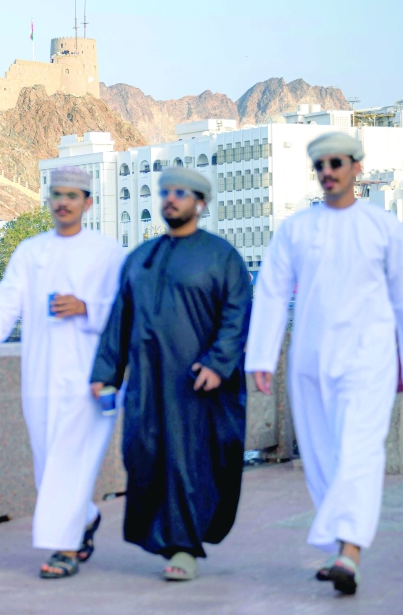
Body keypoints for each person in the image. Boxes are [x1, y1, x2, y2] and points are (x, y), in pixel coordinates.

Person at [245, 131, 403, 595]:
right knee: (323, 456)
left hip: (367, 362)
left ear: (357, 168)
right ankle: (341, 546)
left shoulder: (382, 227)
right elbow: (270, 291)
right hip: (309, 361)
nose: (328, 172)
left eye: (337, 163)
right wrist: (262, 357)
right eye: (321, 165)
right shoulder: (296, 229)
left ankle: (349, 552)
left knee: (360, 452)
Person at [90, 166, 252, 582]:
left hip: (196, 385)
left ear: (200, 202)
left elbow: (237, 315)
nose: (170, 199)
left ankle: (183, 548)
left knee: (187, 463)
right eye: (165, 192)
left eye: (180, 192)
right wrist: (106, 372)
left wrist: (218, 363)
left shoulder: (221, 256)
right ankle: (167, 538)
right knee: (143, 457)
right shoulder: (140, 258)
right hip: (145, 384)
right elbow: (118, 321)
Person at [0, 166, 125, 579]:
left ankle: (65, 549)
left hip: (92, 375)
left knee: (69, 460)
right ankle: (84, 517)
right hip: (39, 374)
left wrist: (87, 308)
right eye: (57, 195)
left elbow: (127, 311)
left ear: (87, 203)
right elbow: (5, 302)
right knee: (46, 461)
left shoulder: (109, 253)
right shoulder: (30, 252)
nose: (63, 202)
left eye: (73, 195)